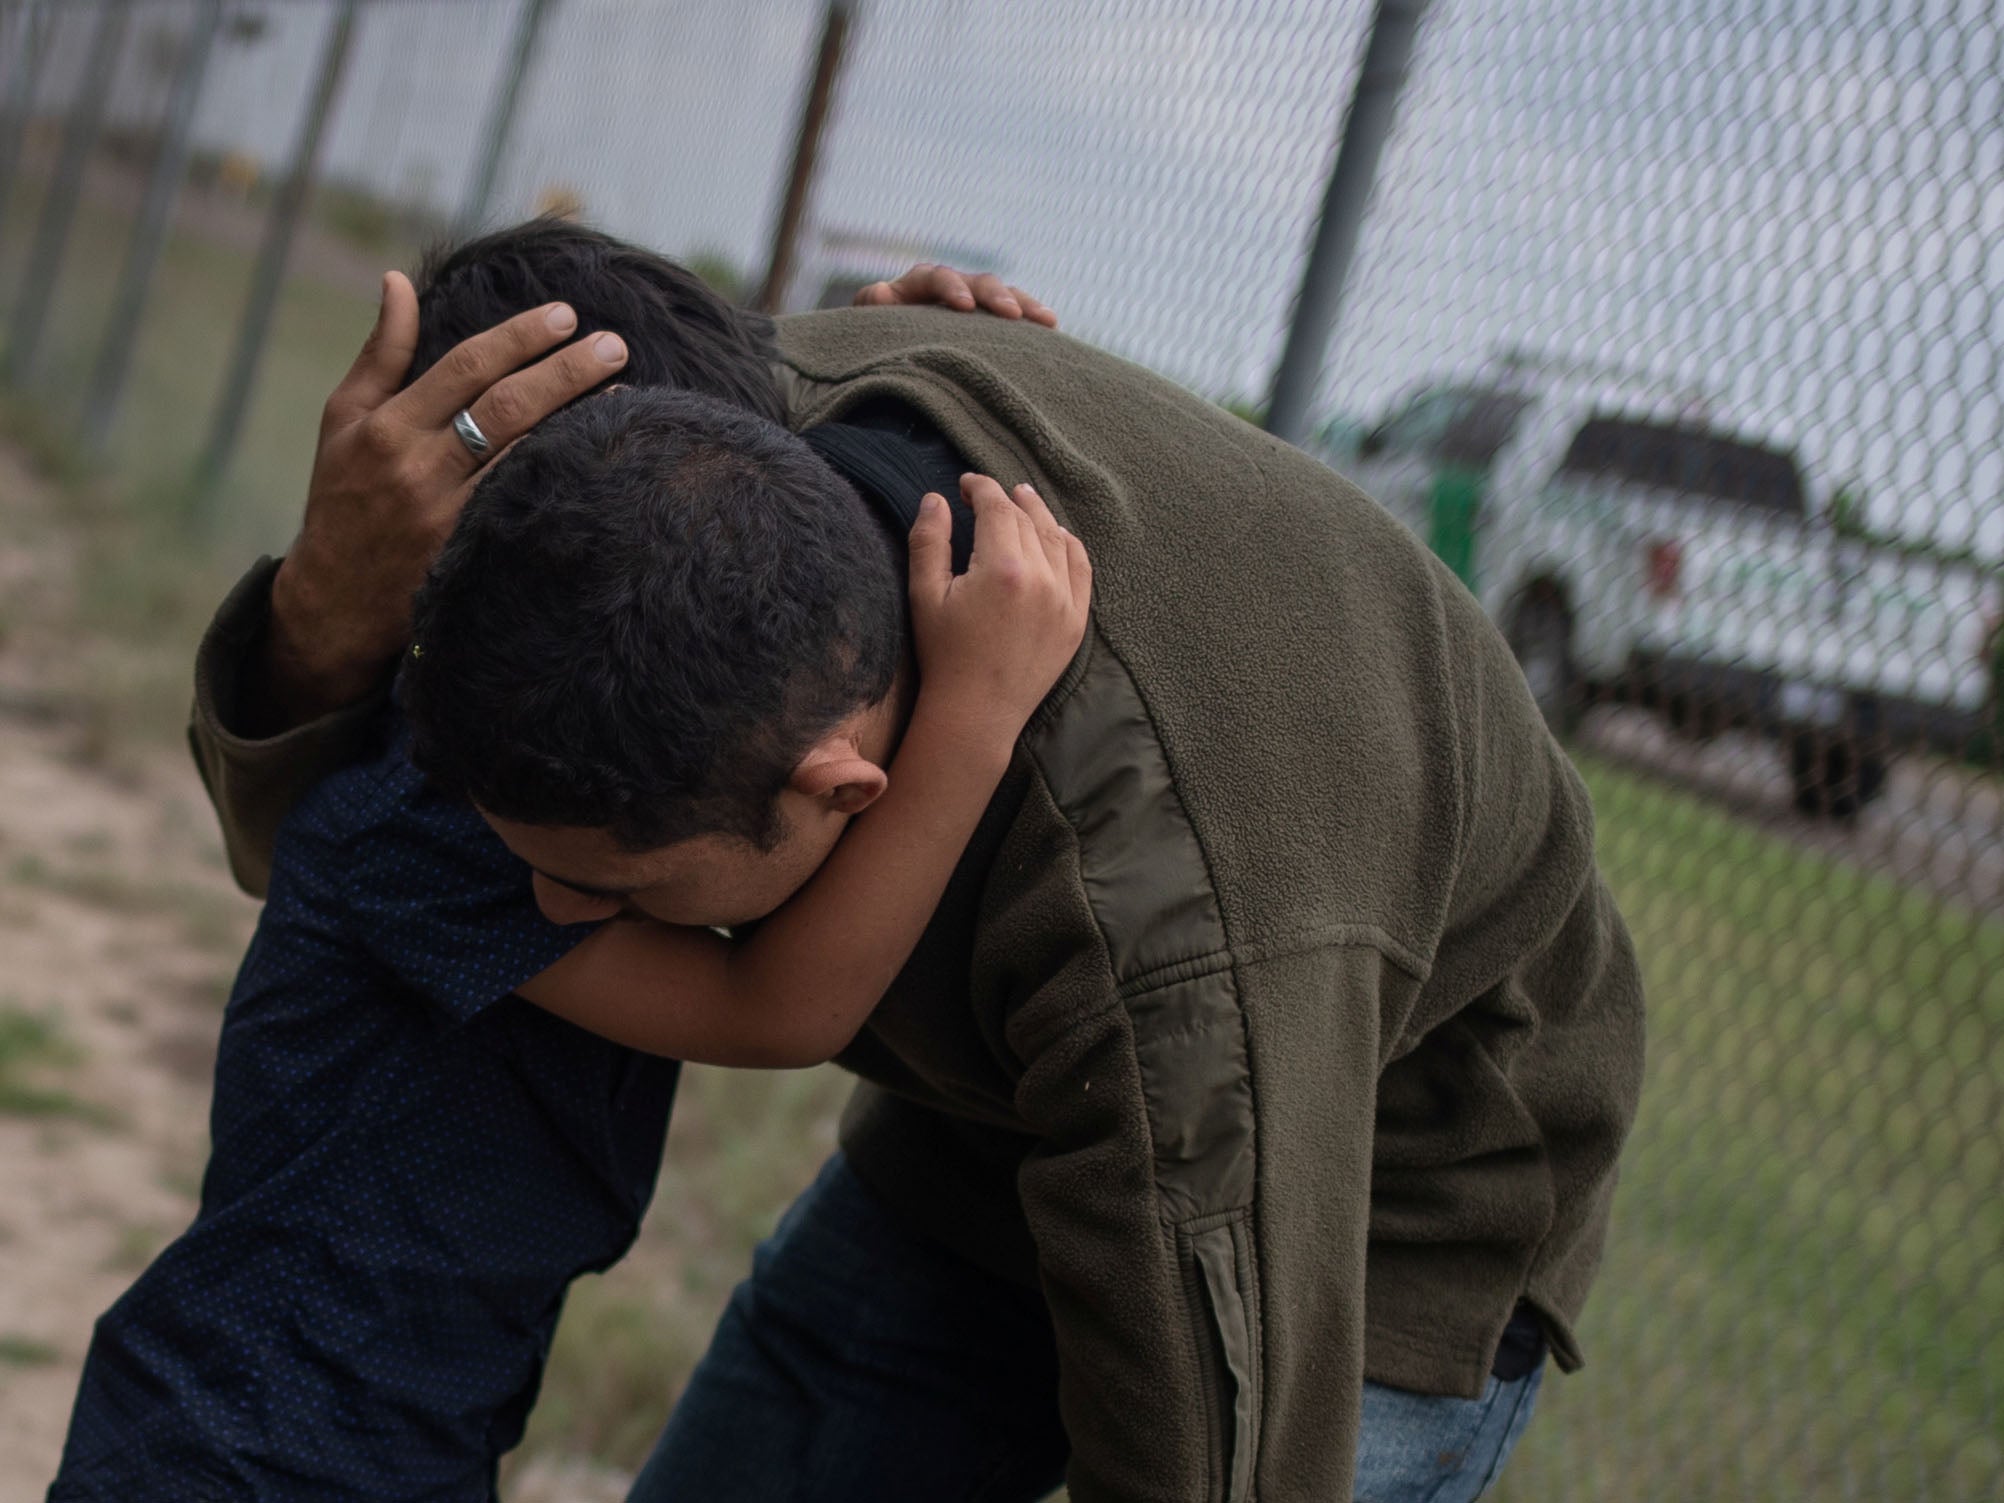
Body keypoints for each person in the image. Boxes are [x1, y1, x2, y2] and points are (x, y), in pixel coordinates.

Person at [186, 222, 1646, 1502]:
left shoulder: (1159, 912)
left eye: (626, 895)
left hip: (1366, 1193)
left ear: (846, 788)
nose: (547, 909)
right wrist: (336, 591)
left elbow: (1222, 1437)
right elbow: (333, 846)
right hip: (1012, 1116)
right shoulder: (664, 488)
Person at [48, 230, 1070, 1501]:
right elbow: (774, 1007)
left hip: (368, 1432)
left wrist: (898, 362)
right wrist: (975, 711)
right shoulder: (437, 823)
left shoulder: (540, 752)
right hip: (258, 1451)